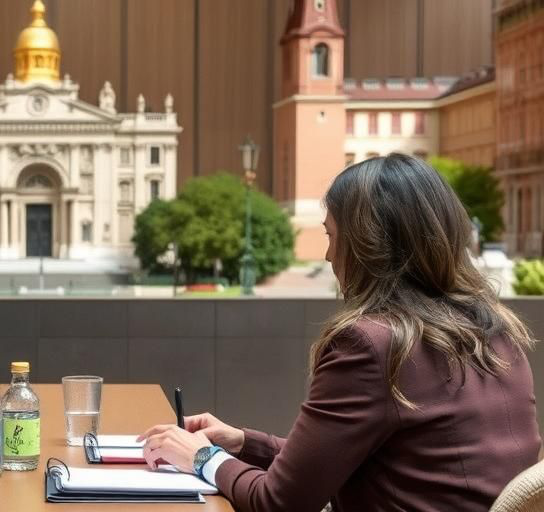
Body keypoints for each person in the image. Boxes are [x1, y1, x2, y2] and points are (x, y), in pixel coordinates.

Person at [139, 153, 540, 511]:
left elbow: (279, 502)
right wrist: (245, 443)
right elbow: (368, 462)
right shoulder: (498, 333)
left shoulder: (372, 344)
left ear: (368, 245)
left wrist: (202, 459)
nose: (329, 255)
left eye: (332, 236)